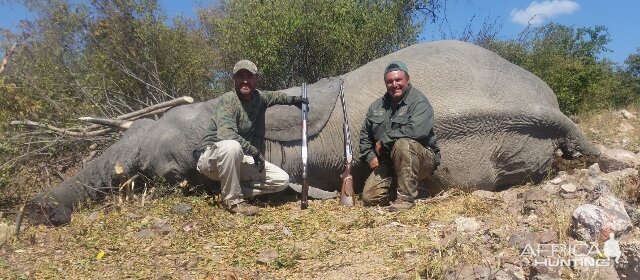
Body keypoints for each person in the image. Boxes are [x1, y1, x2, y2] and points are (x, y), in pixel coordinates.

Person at [196, 59, 307, 216]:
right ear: (233, 80)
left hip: (237, 159)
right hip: (213, 158)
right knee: (231, 146)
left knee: (281, 180)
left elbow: (275, 96)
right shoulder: (228, 99)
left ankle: (224, 191)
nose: (245, 81)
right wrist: (253, 151)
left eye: (249, 76)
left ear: (257, 79)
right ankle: (232, 201)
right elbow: (226, 135)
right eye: (240, 76)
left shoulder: (259, 97)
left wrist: (295, 100)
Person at [358, 61, 441, 212]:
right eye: (390, 81)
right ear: (385, 84)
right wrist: (370, 156)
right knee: (370, 198)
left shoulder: (419, 102)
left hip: (422, 159)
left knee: (402, 144)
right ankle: (412, 188)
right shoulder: (376, 106)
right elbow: (365, 134)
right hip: (390, 162)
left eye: (398, 80)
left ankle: (406, 199)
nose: (394, 84)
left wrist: (385, 139)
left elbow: (417, 130)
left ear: (407, 80)